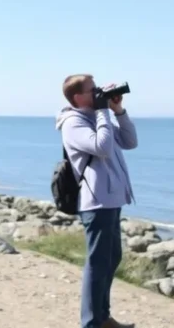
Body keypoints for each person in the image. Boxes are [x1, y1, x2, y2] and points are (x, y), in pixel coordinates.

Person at [56, 74, 138, 328]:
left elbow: (130, 141)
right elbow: (101, 147)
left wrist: (118, 110)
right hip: (96, 201)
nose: (98, 93)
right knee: (97, 262)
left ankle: (103, 317)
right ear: (78, 97)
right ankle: (91, 322)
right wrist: (103, 112)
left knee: (112, 258)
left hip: (112, 199)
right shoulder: (73, 123)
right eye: (93, 90)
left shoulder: (97, 117)